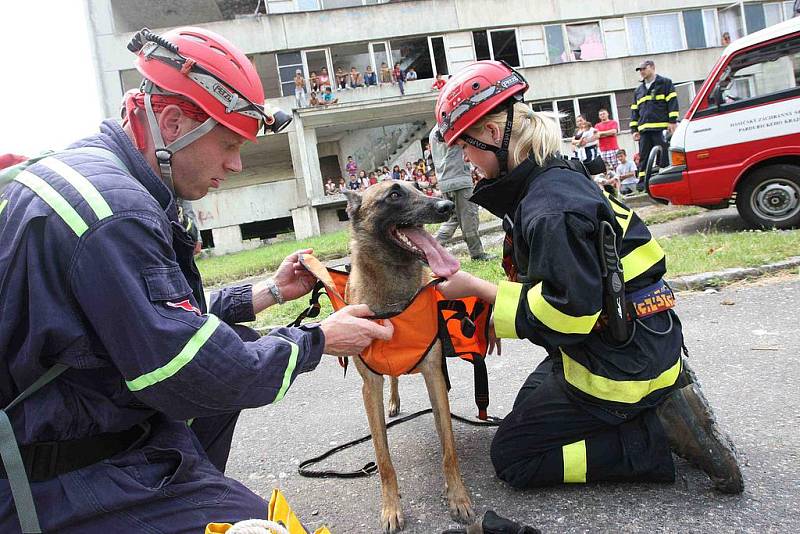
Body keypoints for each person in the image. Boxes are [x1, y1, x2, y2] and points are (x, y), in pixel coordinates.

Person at [0, 26, 394, 532]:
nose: (235, 164)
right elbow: (190, 372)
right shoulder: (117, 213)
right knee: (266, 526)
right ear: (170, 121)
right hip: (54, 477)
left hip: (73, 425)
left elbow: (147, 322)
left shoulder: (97, 175)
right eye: (229, 143)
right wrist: (318, 339)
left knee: (239, 348)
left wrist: (267, 293)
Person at [433, 60, 743, 494]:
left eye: (464, 145)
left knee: (514, 457)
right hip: (642, 339)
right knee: (526, 406)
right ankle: (662, 397)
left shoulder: (549, 209)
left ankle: (653, 437)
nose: (464, 157)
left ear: (490, 133)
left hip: (621, 361)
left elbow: (567, 316)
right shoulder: (553, 179)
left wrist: (478, 291)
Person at [429, 125, 492, 261]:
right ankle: (477, 253)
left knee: (453, 219)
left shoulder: (432, 132)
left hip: (445, 181)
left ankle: (431, 249)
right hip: (459, 179)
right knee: (469, 216)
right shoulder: (449, 126)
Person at [631, 59, 679, 191]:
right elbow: (635, 111)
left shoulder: (665, 83)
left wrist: (672, 121)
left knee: (663, 154)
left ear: (652, 67)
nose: (641, 72)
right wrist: (634, 129)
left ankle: (665, 180)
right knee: (644, 156)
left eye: (643, 69)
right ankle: (642, 184)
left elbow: (672, 102)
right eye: (640, 70)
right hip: (644, 129)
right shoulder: (638, 91)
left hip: (661, 127)